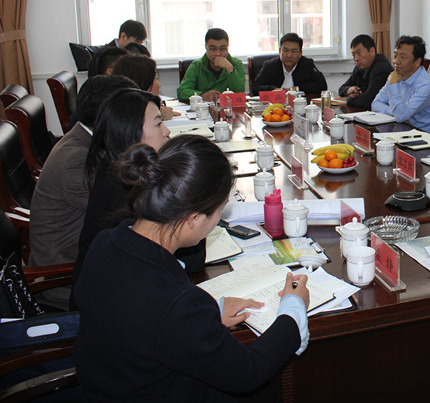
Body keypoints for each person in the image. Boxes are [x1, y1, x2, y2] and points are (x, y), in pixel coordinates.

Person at [73, 135, 310, 401]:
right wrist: (293, 309)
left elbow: (139, 321)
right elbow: (247, 372)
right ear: (193, 219)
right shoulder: (176, 303)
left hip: (111, 383)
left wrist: (208, 315)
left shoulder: (106, 242)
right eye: (219, 211)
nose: (218, 220)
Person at [28, 75, 137, 311]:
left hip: (92, 259)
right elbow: (128, 213)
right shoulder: (77, 160)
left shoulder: (88, 141)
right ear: (111, 116)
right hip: (67, 282)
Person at [72, 88, 172, 289]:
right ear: (131, 132)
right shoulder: (121, 189)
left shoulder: (119, 171)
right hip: (113, 295)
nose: (167, 131)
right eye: (158, 123)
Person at [371, 35, 430, 139]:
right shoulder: (396, 76)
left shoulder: (426, 85)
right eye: (395, 56)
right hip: (407, 132)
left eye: (403, 57)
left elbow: (400, 116)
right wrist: (396, 113)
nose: (396, 61)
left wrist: (401, 114)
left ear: (417, 62)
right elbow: (376, 104)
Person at [177, 28, 245, 103]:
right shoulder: (196, 65)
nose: (218, 53)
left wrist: (229, 69)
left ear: (227, 48)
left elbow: (240, 94)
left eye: (222, 49)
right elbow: (182, 92)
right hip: (203, 108)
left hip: (228, 108)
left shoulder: (236, 64)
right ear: (206, 47)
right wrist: (202, 95)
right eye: (213, 49)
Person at [251, 32, 327, 95]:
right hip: (275, 105)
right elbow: (256, 88)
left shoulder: (307, 64)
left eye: (294, 51)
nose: (289, 55)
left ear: (300, 53)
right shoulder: (270, 66)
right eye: (285, 50)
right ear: (280, 51)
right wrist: (275, 90)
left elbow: (322, 85)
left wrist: (296, 89)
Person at [113, 53, 176, 120]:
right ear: (144, 83)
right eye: (156, 78)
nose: (159, 85)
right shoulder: (125, 118)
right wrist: (158, 115)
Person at [337, 34, 392, 108]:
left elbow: (369, 100)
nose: (356, 58)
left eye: (359, 53)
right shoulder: (359, 67)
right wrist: (349, 90)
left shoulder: (381, 68)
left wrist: (346, 99)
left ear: (372, 51)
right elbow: (341, 89)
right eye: (353, 55)